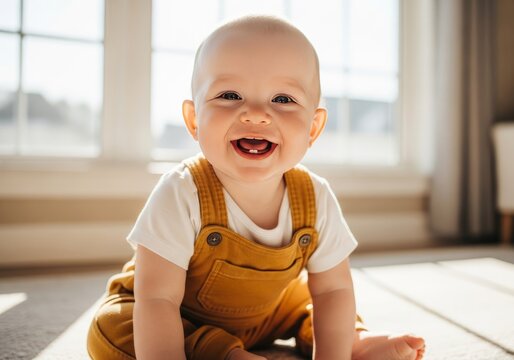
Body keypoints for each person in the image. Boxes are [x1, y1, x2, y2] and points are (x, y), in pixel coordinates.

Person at [87, 15, 426, 360]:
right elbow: (158, 300)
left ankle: (354, 341)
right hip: (178, 315)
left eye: (282, 99)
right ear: (194, 120)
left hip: (269, 312)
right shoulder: (182, 192)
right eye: (230, 95)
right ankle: (224, 353)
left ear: (313, 127)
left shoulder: (315, 197)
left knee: (311, 301)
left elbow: (334, 290)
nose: (256, 114)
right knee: (110, 329)